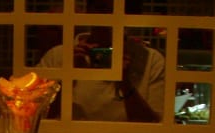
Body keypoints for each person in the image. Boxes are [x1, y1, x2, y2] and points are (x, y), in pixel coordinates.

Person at [37, 31, 165, 122]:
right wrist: (69, 76)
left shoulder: (150, 60)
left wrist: (124, 81)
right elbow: (37, 117)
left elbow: (152, 125)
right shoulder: (58, 56)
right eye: (102, 8)